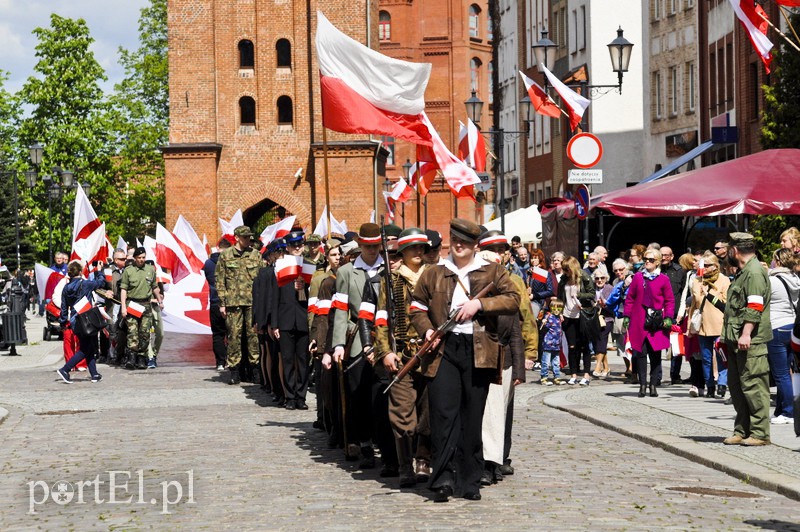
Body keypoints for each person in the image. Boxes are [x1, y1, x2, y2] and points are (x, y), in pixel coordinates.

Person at [409, 218, 520, 503]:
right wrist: (428, 330)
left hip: (479, 349)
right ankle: (443, 478)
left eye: (466, 242)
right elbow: (417, 307)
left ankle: (469, 480)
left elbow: (513, 299)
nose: (460, 246)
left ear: (474, 246)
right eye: (456, 240)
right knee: (443, 415)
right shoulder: (434, 272)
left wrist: (480, 304)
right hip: (444, 349)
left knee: (472, 417)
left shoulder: (492, 271)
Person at [373, 227, 432, 488]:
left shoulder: (435, 277)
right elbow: (382, 319)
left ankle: (424, 460)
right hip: (402, 354)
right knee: (402, 413)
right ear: (403, 252)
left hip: (431, 354)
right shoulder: (392, 281)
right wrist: (384, 351)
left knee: (428, 412)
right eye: (413, 248)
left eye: (422, 248)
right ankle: (405, 464)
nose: (418, 252)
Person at [330, 223, 388, 467]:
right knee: (358, 392)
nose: (372, 251)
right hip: (356, 335)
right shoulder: (346, 272)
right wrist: (339, 344)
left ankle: (384, 444)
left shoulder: (389, 269)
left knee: (382, 393)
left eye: (376, 246)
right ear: (360, 246)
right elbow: (341, 310)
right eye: (367, 246)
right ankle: (363, 442)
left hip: (385, 336)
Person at [721, 232, 773, 447]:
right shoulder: (744, 272)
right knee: (737, 386)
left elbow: (755, 305)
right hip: (736, 339)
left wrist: (746, 333)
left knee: (753, 385)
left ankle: (760, 433)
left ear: (734, 251)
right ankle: (742, 430)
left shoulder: (753, 273)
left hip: (750, 340)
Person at [623, 248, 674, 398]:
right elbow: (630, 298)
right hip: (639, 321)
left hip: (657, 322)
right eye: (645, 258)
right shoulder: (638, 277)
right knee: (640, 354)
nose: (647, 261)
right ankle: (642, 385)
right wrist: (627, 315)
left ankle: (653, 385)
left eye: (651, 260)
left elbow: (669, 300)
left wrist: (668, 317)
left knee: (655, 355)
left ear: (657, 262)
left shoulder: (664, 279)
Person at [215, 225, 262, 385]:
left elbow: (261, 279)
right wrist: (222, 303)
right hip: (233, 302)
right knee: (234, 336)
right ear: (237, 238)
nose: (248, 240)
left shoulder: (255, 255)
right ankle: (234, 370)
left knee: (253, 336)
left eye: (249, 237)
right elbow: (219, 280)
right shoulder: (226, 256)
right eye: (245, 237)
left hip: (252, 303)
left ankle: (254, 369)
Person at [270, 229, 311, 409]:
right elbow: (274, 297)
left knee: (302, 361)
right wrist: (275, 323)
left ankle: (301, 397)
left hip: (303, 319)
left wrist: (306, 287)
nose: (297, 248)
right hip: (285, 319)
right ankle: (290, 397)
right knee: (287, 361)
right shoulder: (281, 266)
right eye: (294, 246)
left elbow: (315, 296)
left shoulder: (309, 265)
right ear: (287, 247)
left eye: (300, 245)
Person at [686, 252, 730, 399]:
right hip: (703, 324)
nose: (703, 268)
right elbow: (693, 305)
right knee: (705, 357)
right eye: (701, 265)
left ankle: (722, 384)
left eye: (706, 265)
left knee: (721, 354)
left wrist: (709, 294)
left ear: (715, 266)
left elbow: (726, 303)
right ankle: (710, 385)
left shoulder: (724, 280)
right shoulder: (697, 281)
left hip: (719, 323)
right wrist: (689, 327)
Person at [56, 261, 106, 384]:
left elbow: (63, 308)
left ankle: (94, 374)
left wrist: (63, 323)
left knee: (89, 347)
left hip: (74, 320)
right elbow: (101, 283)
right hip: (87, 319)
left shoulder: (66, 288)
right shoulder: (86, 284)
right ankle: (65, 369)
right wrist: (98, 271)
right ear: (80, 271)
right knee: (85, 349)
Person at [766, 248, 799, 425]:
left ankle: (788, 412)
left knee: (781, 374)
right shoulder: (795, 278)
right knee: (788, 372)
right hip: (791, 326)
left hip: (776, 326)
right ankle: (781, 410)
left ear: (777, 261)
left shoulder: (772, 280)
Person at [120, 247, 163, 370]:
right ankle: (132, 358)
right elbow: (123, 289)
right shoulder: (128, 271)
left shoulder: (150, 270)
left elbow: (154, 287)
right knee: (132, 333)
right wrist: (123, 307)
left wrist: (159, 300)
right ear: (134, 258)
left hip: (146, 305)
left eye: (143, 257)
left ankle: (142, 358)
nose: (141, 260)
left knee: (144, 333)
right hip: (133, 304)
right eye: (139, 258)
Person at [559, 256, 595, 386]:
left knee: (585, 345)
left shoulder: (584, 277)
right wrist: (559, 312)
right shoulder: (563, 280)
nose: (565, 272)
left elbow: (592, 294)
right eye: (564, 269)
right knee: (572, 346)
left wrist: (579, 295)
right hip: (568, 315)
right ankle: (573, 374)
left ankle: (586, 374)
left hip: (582, 315)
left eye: (567, 269)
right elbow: (559, 298)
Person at [204, 238, 231, 371]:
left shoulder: (208, 263)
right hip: (230, 302)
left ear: (218, 247)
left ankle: (220, 362)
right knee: (232, 333)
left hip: (215, 301)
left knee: (217, 334)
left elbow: (208, 278)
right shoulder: (229, 261)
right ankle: (231, 360)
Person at [660, 246, 685, 385]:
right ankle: (657, 377)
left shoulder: (679, 271)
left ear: (672, 256)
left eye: (666, 255)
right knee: (658, 344)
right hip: (658, 314)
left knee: (675, 347)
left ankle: (675, 375)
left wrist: (682, 311)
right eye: (661, 255)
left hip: (675, 314)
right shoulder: (655, 270)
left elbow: (683, 292)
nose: (664, 258)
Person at [606, 258, 632, 378]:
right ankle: (628, 368)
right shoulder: (616, 281)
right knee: (621, 344)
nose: (618, 272)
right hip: (619, 315)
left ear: (626, 269)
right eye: (616, 270)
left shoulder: (633, 279)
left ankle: (633, 369)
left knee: (630, 343)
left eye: (621, 269)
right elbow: (611, 300)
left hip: (630, 316)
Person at [592, 266, 614, 377]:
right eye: (597, 278)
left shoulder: (610, 288)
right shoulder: (592, 288)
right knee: (598, 342)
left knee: (602, 339)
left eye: (602, 278)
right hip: (595, 319)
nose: (599, 280)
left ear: (606, 278)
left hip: (607, 318)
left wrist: (603, 304)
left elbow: (613, 306)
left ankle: (598, 366)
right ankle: (606, 367)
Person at [539, 299, 564, 386]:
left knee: (556, 362)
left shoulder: (559, 317)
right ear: (551, 308)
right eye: (554, 308)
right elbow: (542, 327)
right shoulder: (548, 316)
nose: (557, 310)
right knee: (546, 362)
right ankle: (544, 378)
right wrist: (543, 321)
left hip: (556, 344)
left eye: (559, 308)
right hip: (548, 343)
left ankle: (556, 377)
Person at [529, 248, 554, 317]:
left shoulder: (542, 273)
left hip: (538, 303)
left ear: (540, 259)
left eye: (535, 258)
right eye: (531, 258)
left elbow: (550, 291)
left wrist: (534, 295)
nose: (533, 260)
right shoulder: (529, 272)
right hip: (528, 302)